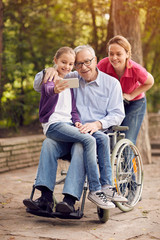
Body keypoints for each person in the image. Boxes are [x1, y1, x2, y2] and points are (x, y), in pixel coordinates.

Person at [24, 45, 127, 215]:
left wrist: (97, 124)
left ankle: (70, 200)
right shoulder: (71, 77)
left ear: (95, 61)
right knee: (49, 143)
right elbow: (42, 86)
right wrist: (47, 71)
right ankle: (45, 198)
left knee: (83, 144)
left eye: (87, 62)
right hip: (69, 131)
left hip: (93, 134)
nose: (83, 67)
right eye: (78, 64)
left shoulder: (111, 84)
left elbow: (117, 114)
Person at [97, 35, 154, 145]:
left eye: (119, 54)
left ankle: (128, 161)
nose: (114, 57)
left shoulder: (135, 69)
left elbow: (150, 81)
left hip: (135, 103)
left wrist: (131, 95)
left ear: (127, 54)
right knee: (108, 135)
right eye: (111, 53)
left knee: (127, 139)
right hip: (113, 103)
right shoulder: (102, 65)